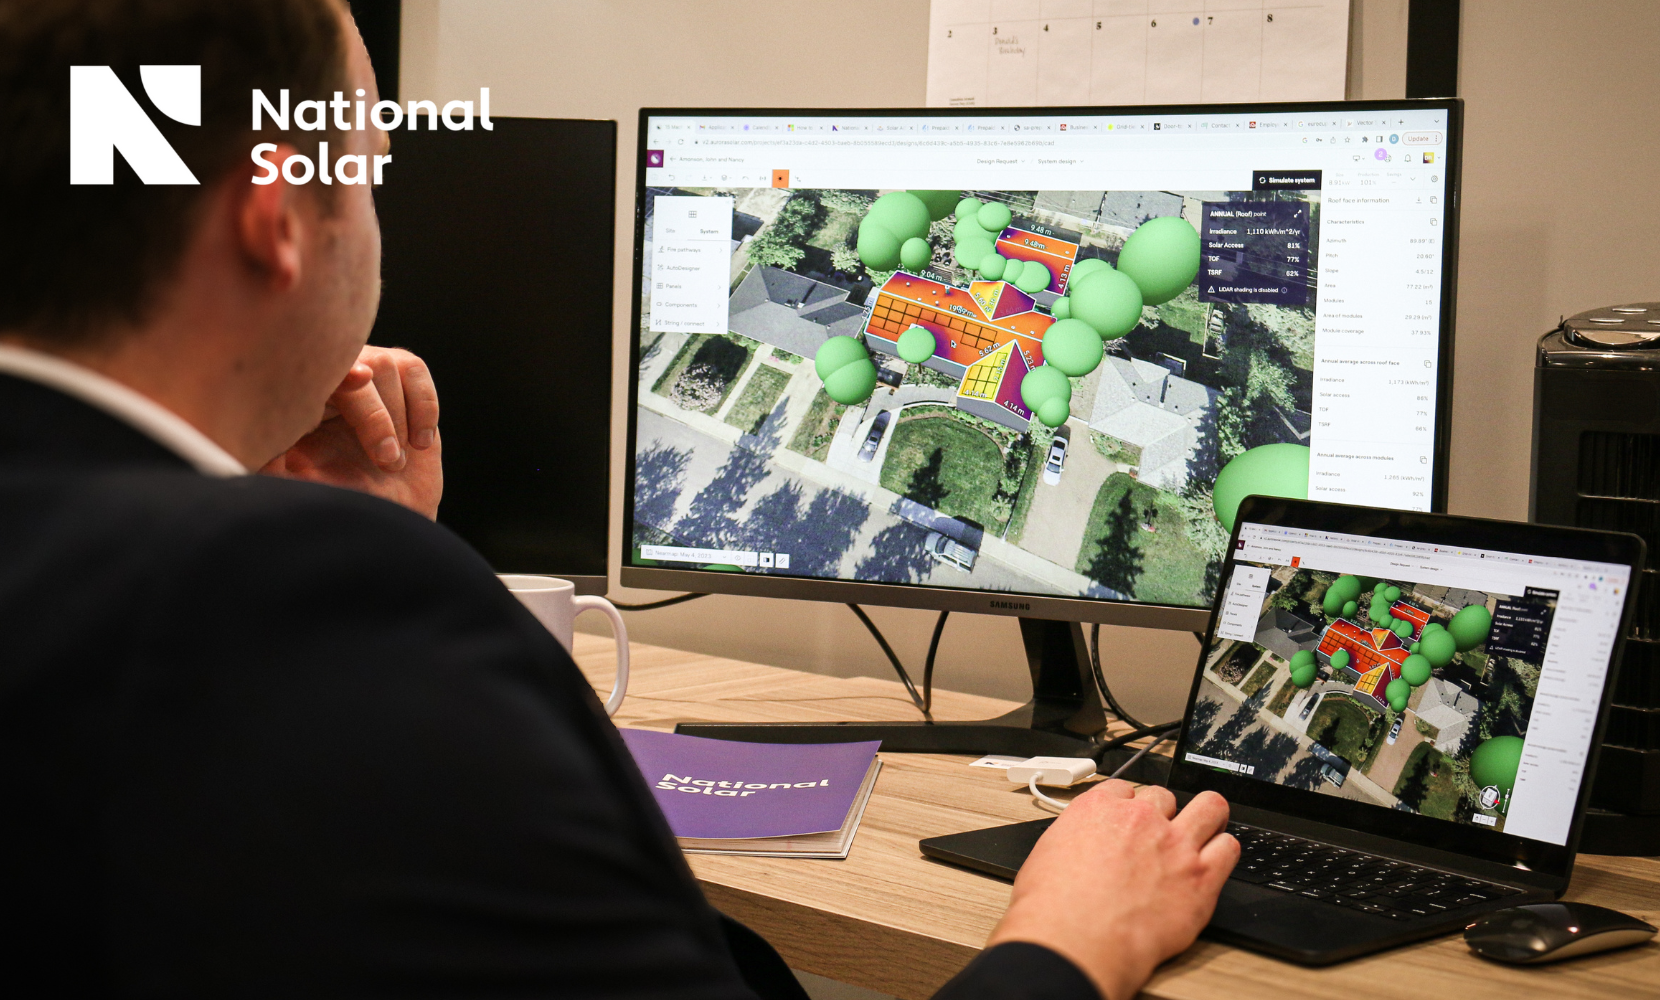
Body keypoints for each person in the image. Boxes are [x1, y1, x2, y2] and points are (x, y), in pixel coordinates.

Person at [0, 2, 1239, 998]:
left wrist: (353, 538)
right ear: (278, 221)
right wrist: (1066, 945)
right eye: (373, 175)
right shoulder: (316, 601)